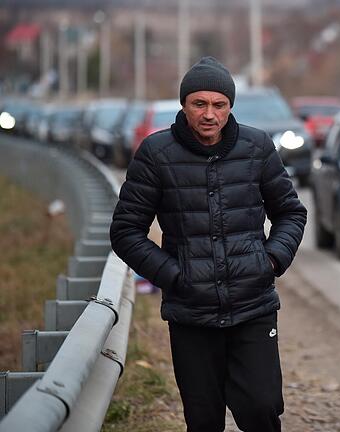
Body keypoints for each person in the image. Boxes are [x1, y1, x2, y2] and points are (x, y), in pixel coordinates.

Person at [110, 56, 306, 432]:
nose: (209, 114)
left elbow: (291, 213)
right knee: (203, 420)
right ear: (184, 105)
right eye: (199, 103)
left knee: (262, 409)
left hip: (253, 306)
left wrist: (271, 261)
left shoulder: (257, 147)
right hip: (191, 314)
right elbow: (126, 231)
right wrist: (174, 276)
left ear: (230, 106)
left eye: (219, 104)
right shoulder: (156, 154)